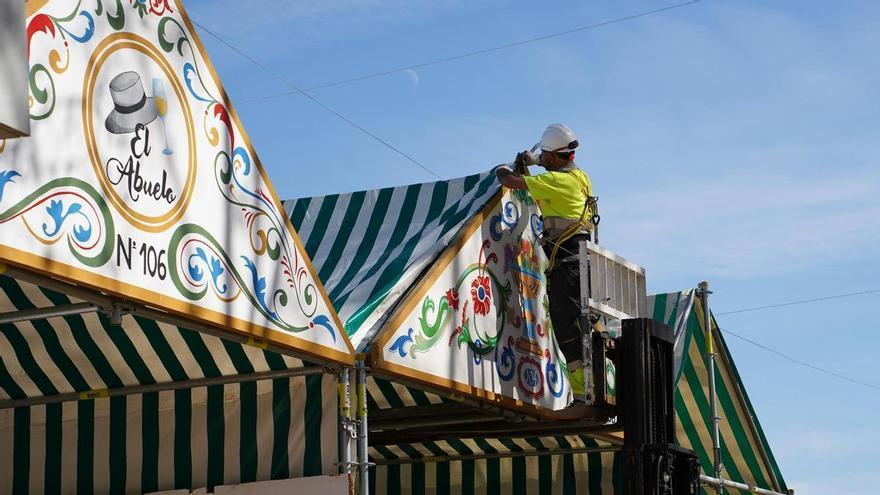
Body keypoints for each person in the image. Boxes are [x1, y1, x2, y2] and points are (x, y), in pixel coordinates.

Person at [495, 123, 595, 403]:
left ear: (553, 155)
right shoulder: (579, 177)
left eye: (545, 157)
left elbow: (511, 182)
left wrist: (503, 168)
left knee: (566, 325)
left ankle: (581, 394)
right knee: (579, 324)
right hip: (580, 259)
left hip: (568, 262)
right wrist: (536, 160)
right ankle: (587, 390)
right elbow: (544, 183)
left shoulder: (556, 182)